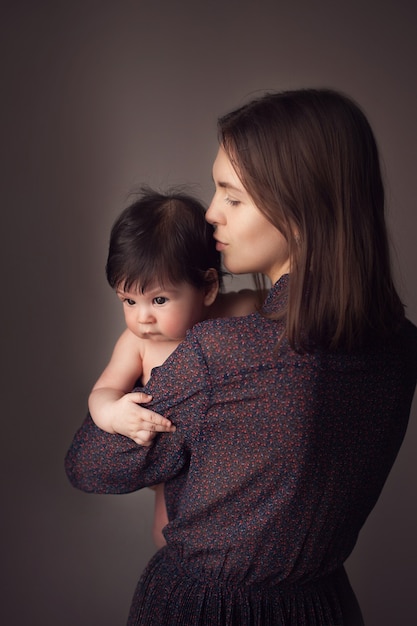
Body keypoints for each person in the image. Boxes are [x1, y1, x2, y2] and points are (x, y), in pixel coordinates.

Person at [65, 88, 417, 625]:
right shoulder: (401, 346)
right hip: (326, 609)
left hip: (207, 611)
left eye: (232, 197)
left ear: (301, 208)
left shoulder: (225, 352)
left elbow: (90, 464)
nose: (210, 215)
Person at [88, 187, 262, 547]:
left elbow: (284, 307)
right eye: (128, 300)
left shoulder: (238, 311)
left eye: (159, 299)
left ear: (209, 287)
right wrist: (113, 414)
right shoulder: (137, 344)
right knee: (166, 532)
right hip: (173, 465)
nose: (142, 317)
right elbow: (102, 392)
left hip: (233, 463)